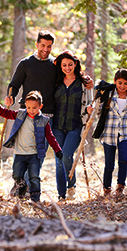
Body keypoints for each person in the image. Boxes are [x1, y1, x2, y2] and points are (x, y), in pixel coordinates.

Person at [4, 30, 93, 195]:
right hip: (26, 114)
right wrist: (10, 96)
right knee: (25, 151)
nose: (46, 49)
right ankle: (20, 184)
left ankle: (27, 187)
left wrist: (87, 81)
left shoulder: (54, 65)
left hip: (48, 117)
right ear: (37, 44)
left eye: (49, 46)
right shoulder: (25, 63)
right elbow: (14, 84)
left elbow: (70, 75)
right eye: (43, 45)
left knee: (39, 153)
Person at [0, 91, 63, 202]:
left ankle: (35, 199)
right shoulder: (20, 114)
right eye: (28, 107)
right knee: (17, 175)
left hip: (34, 154)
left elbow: (50, 137)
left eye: (34, 108)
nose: (31, 110)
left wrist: (57, 150)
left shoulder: (43, 120)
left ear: (40, 106)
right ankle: (21, 187)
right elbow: (6, 113)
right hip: (19, 153)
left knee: (34, 177)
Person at [89, 69, 127, 199]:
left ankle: (120, 188)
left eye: (125, 83)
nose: (122, 86)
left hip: (125, 134)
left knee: (123, 161)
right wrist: (91, 109)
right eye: (120, 83)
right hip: (109, 133)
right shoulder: (108, 95)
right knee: (109, 164)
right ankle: (107, 189)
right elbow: (99, 111)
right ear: (115, 82)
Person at [52, 50, 93, 200]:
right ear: (60, 66)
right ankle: (61, 194)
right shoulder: (56, 82)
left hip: (75, 126)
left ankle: (71, 185)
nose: (67, 67)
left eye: (70, 64)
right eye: (64, 65)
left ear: (75, 64)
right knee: (58, 160)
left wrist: (90, 108)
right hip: (56, 127)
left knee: (66, 156)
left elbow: (91, 102)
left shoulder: (84, 83)